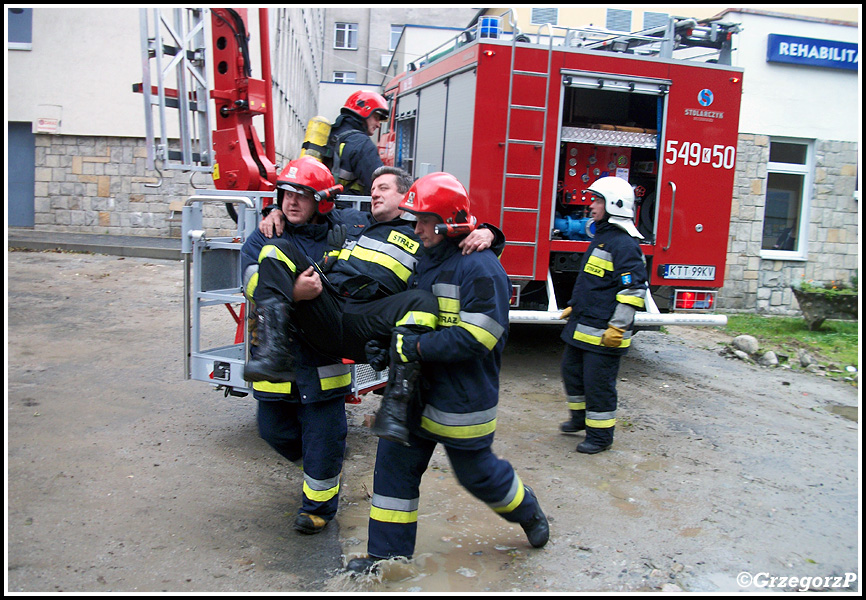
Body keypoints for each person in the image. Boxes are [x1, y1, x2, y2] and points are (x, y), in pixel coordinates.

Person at [346, 172, 549, 575]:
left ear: (446, 223)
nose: (416, 227)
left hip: (462, 399)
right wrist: (385, 344)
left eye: (423, 221)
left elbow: (481, 336)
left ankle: (528, 512)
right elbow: (406, 313)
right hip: (415, 395)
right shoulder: (425, 258)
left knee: (479, 478)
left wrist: (417, 347)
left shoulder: (480, 268)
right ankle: (386, 558)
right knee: (392, 471)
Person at [246, 165, 500, 444]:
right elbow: (311, 206)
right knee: (276, 249)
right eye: (372, 189)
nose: (374, 194)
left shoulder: (424, 233)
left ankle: (394, 410)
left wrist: (489, 233)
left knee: (421, 302)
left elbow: (458, 230)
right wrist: (275, 209)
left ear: (407, 196)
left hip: (366, 320)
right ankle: (273, 353)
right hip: (329, 307)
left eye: (383, 188)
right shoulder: (357, 221)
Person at [240, 156, 368, 535]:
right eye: (285, 194)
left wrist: (491, 233)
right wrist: (293, 292)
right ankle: (319, 469)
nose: (291, 202)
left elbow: (388, 225)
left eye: (302, 195)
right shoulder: (267, 235)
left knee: (324, 438)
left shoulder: (343, 233)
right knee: (273, 432)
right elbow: (248, 279)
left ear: (322, 201)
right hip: (276, 361)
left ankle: (319, 508)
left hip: (322, 363)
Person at [558, 176, 648, 454]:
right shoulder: (602, 238)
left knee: (598, 386)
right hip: (583, 324)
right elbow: (592, 280)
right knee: (571, 373)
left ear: (614, 205)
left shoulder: (625, 245)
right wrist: (576, 304)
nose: (592, 205)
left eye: (597, 200)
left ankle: (600, 437)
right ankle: (580, 419)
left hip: (605, 334)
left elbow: (633, 290)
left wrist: (618, 328)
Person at [328, 90, 388, 195]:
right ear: (365, 112)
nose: (378, 125)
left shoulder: (332, 134)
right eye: (376, 117)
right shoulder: (362, 144)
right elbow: (382, 185)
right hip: (349, 207)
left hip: (324, 205)